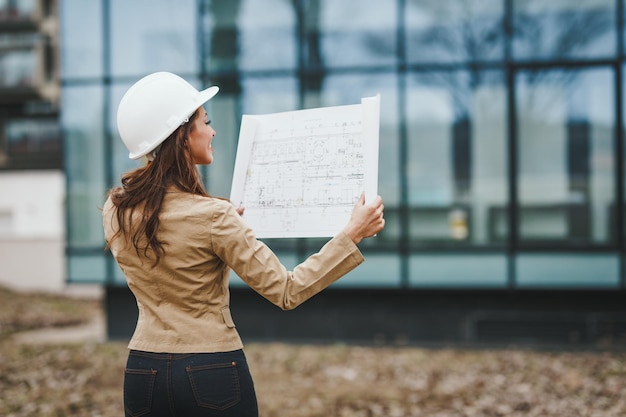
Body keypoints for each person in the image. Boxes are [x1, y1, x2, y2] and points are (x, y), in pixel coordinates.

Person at [102, 71, 385, 417]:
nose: (212, 131)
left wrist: (222, 225)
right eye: (206, 121)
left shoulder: (115, 210)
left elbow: (172, 238)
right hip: (211, 371)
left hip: (142, 372)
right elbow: (286, 290)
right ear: (182, 135)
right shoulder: (215, 217)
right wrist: (352, 234)